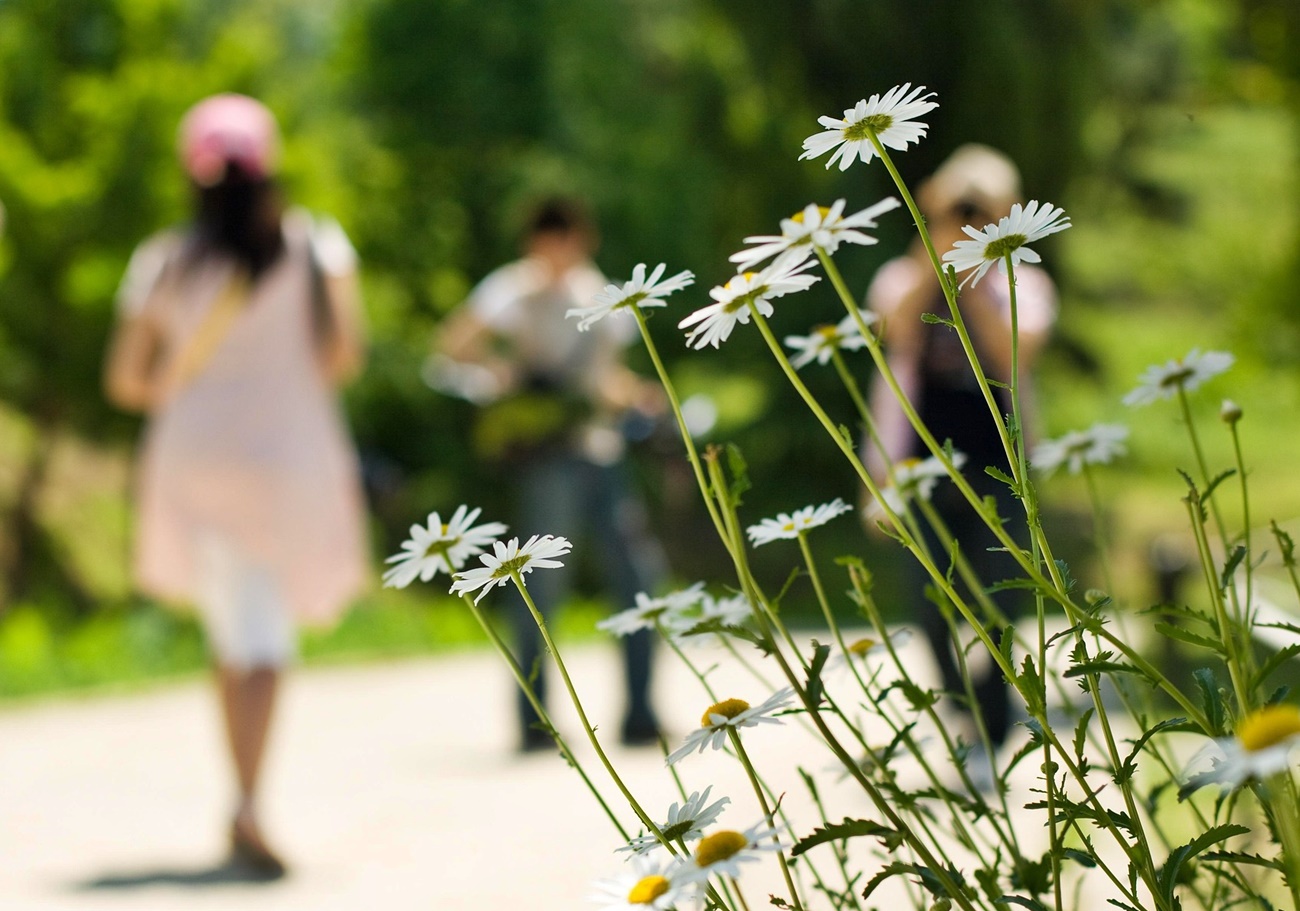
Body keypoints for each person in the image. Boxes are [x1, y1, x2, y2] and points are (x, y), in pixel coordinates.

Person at [103, 93, 369, 874]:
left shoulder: (163, 260)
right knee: (265, 638)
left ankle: (242, 795)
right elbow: (342, 357)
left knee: (234, 632)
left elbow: (125, 379)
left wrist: (191, 395)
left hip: (194, 460)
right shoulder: (318, 247)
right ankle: (249, 802)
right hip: (285, 458)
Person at [437, 198, 666, 752]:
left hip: (599, 447)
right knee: (538, 587)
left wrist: (639, 397)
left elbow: (606, 378)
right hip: (544, 455)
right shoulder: (512, 289)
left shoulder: (599, 291)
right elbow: (453, 345)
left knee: (637, 576)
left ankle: (640, 712)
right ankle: (535, 720)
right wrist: (502, 372)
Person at [864, 144, 1057, 753]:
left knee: (999, 594)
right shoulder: (904, 274)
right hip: (920, 460)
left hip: (997, 460)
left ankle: (996, 719)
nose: (969, 222)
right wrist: (937, 259)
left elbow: (1014, 355)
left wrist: (976, 278)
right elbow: (891, 331)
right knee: (928, 598)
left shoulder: (1022, 282)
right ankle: (958, 701)